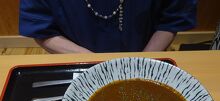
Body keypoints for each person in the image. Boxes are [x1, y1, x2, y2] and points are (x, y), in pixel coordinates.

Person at [19, 0, 197, 53]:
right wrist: (88, 59)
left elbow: (172, 18)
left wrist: (143, 61)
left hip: (146, 55)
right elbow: (41, 28)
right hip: (76, 61)